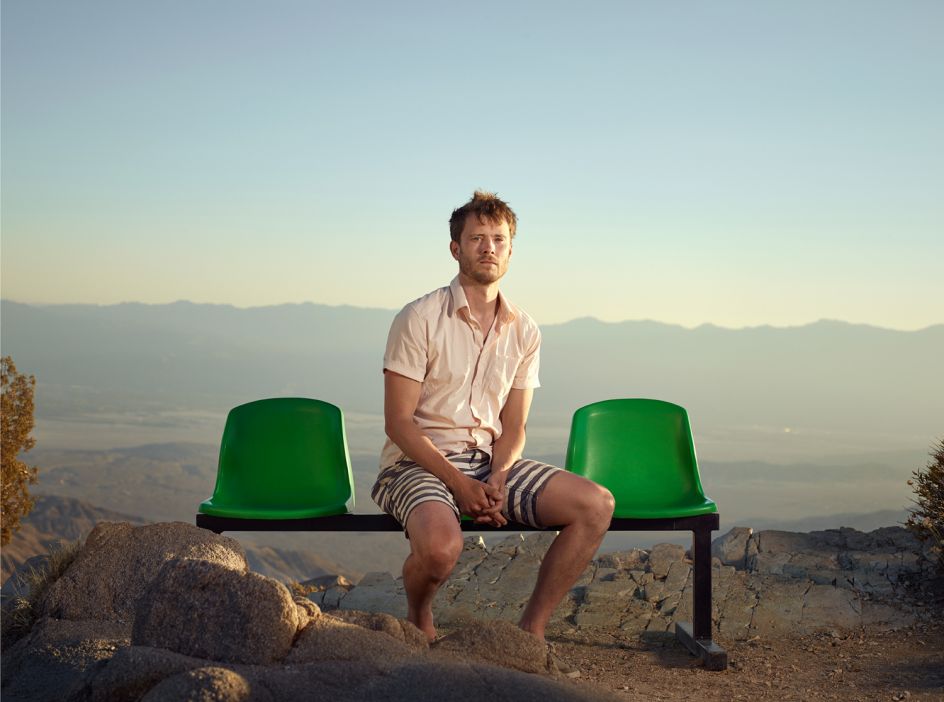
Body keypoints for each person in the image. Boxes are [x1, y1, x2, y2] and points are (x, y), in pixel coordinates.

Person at [371, 190, 615, 651]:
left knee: (595, 505)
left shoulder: (525, 329)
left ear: (510, 250)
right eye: (477, 238)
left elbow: (515, 425)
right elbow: (399, 424)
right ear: (455, 249)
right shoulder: (419, 318)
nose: (488, 247)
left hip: (488, 462)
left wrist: (498, 477)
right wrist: (460, 487)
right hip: (415, 463)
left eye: (499, 239)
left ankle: (531, 632)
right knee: (443, 550)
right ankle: (419, 614)